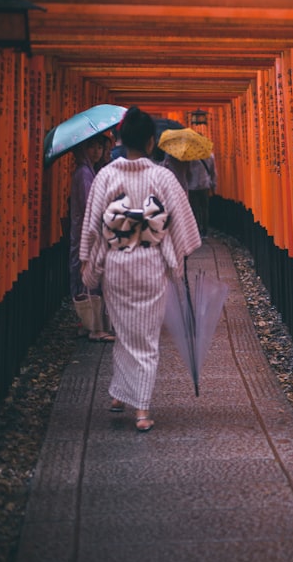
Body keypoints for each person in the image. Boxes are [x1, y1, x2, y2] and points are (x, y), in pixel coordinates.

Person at [79, 106, 202, 432]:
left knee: (124, 333)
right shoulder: (163, 177)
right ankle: (141, 409)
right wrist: (176, 261)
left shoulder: (106, 176)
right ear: (151, 142)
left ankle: (122, 393)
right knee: (145, 338)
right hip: (150, 265)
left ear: (119, 139)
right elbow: (182, 223)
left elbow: (92, 226)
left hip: (117, 266)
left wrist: (87, 262)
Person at [68, 133, 115, 342]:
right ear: (83, 149)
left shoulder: (86, 171)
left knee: (84, 277)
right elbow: (91, 206)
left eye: (99, 147)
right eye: (92, 147)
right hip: (88, 235)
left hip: (82, 233)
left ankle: (86, 325)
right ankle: (96, 329)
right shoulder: (85, 174)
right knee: (91, 277)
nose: (97, 152)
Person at [186, 154, 215, 237]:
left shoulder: (189, 157)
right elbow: (213, 171)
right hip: (205, 185)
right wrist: (213, 184)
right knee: (204, 208)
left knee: (195, 209)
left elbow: (187, 172)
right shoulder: (210, 155)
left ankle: (197, 229)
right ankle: (205, 230)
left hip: (192, 185)